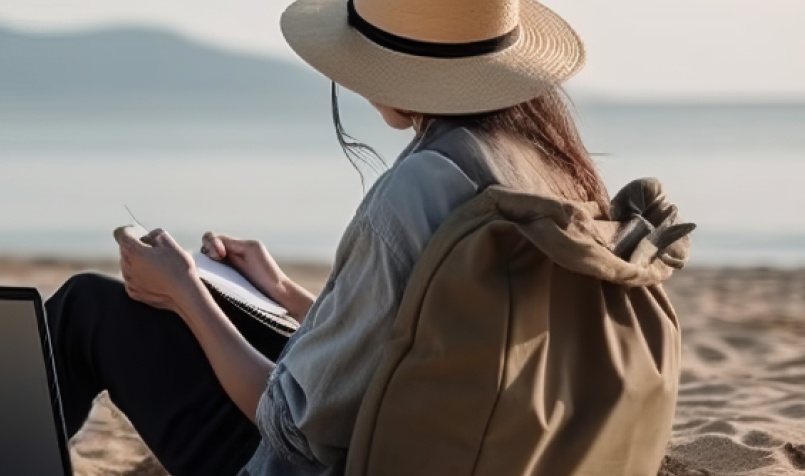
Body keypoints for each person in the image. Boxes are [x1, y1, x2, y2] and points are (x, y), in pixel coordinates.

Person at [45, 0, 621, 475]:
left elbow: (293, 430)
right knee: (231, 310)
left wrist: (185, 294)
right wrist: (283, 291)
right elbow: (423, 342)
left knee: (88, 310)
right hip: (453, 442)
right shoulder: (546, 168)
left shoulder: (418, 190)